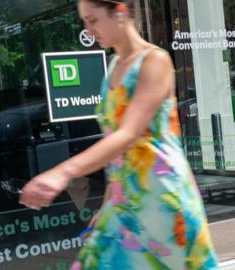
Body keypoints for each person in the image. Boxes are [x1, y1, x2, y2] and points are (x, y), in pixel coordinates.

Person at [19, 0, 219, 269]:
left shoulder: (154, 60)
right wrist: (108, 202)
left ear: (120, 13)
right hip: (127, 200)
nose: (88, 30)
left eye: (93, 20)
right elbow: (118, 147)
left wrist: (63, 172)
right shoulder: (113, 67)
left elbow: (128, 134)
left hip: (163, 200)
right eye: (85, 22)